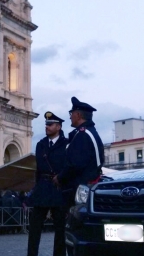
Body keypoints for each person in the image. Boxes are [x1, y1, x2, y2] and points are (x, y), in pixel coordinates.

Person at [54, 97, 104, 256]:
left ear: (78, 115)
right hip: (85, 189)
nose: (69, 116)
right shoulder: (89, 133)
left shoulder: (82, 135)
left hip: (78, 192)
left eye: (71, 113)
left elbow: (74, 164)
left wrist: (59, 178)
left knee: (73, 233)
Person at [28, 111, 69, 256]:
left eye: (50, 124)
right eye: (46, 124)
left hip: (59, 188)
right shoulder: (41, 144)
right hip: (43, 187)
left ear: (58, 127)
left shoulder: (66, 144)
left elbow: (68, 166)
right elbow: (38, 169)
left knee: (60, 228)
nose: (47, 127)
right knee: (34, 227)